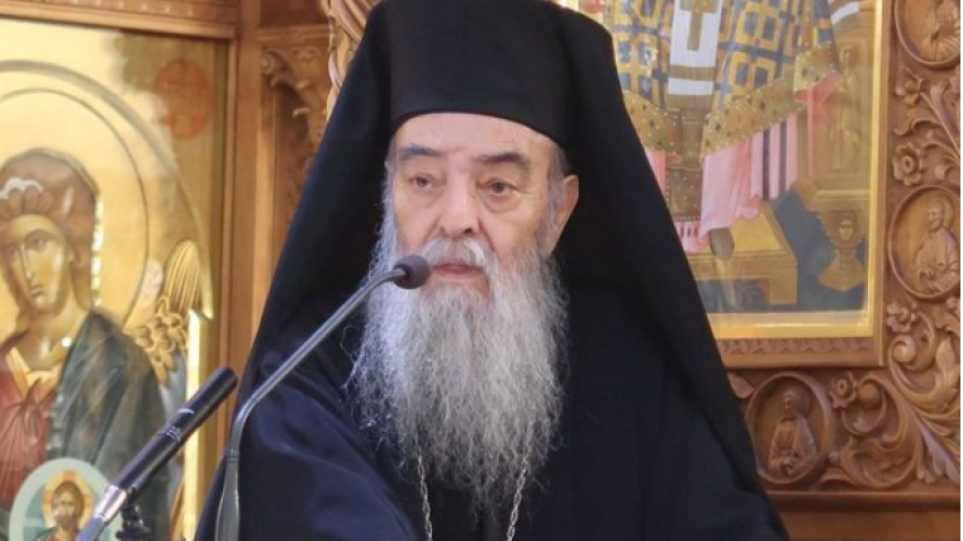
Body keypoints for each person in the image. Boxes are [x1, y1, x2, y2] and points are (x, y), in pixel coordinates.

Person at [198, 0, 789, 538]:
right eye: (423, 181)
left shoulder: (631, 369)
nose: (456, 219)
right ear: (387, 193)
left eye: (498, 186)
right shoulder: (312, 368)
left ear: (557, 213)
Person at [0, 149, 169, 541]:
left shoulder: (120, 367)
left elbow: (143, 500)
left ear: (72, 247)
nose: (26, 267)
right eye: (12, 251)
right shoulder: (4, 363)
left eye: (38, 243)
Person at [914, 194, 959, 294]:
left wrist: (936, 284)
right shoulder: (924, 241)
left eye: (934, 214)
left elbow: (955, 275)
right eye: (928, 215)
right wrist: (922, 270)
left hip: (942, 289)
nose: (930, 218)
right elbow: (916, 267)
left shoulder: (949, 242)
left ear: (943, 217)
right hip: (925, 290)